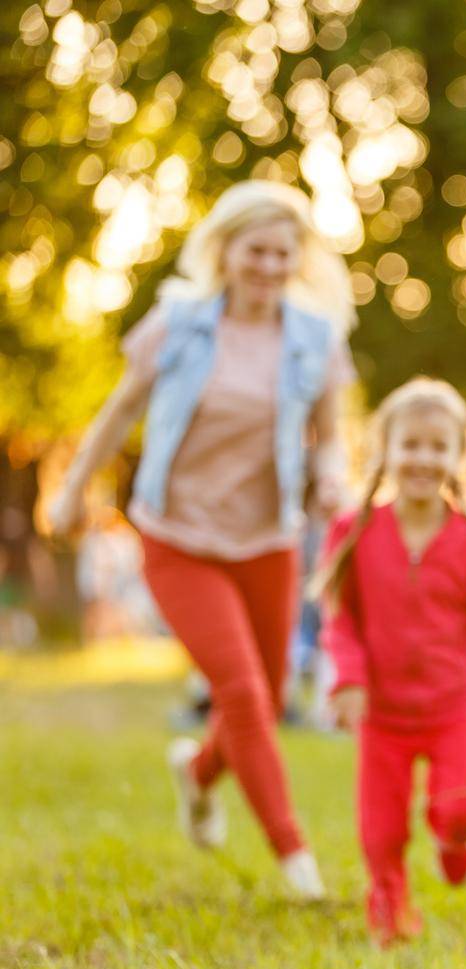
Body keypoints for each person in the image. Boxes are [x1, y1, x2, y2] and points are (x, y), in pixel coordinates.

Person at [47, 180, 357, 900]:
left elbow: (333, 434)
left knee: (269, 694)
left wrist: (334, 476)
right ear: (226, 249)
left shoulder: (315, 335)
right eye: (257, 250)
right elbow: (119, 411)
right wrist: (70, 490)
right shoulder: (179, 321)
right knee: (243, 691)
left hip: (268, 537)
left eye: (283, 254)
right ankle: (298, 861)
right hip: (178, 534)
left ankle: (197, 770)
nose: (270, 267)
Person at [313, 377, 466, 947]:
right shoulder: (354, 531)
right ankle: (389, 907)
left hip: (453, 709)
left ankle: (452, 842)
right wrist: (346, 679)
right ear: (386, 451)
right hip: (383, 715)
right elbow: (340, 620)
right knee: (382, 831)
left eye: (438, 446)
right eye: (411, 444)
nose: (423, 458)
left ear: (457, 456)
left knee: (464, 811)